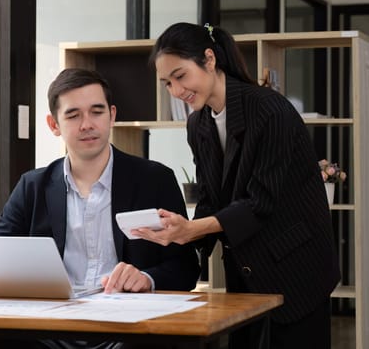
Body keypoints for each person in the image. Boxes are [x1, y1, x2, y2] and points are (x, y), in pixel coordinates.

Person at [0, 68, 200, 349]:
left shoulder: (155, 180)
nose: (87, 124)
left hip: (128, 330)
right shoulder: (32, 186)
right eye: (73, 115)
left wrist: (146, 278)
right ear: (53, 124)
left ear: (112, 115)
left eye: (96, 112)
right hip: (48, 331)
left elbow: (186, 267)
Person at [132, 22, 341, 349]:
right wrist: (179, 232)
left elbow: (261, 201)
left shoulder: (270, 110)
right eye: (166, 83)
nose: (175, 90)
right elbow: (210, 198)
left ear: (210, 60)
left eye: (180, 76)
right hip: (246, 272)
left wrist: (193, 229)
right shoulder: (198, 123)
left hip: (297, 269)